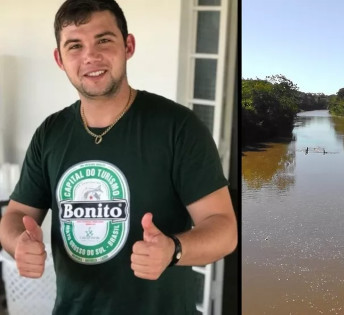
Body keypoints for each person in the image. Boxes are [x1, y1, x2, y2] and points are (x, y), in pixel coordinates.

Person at [0, 1, 237, 314]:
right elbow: (15, 215)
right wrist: (19, 243)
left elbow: (224, 230)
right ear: (60, 59)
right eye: (75, 46)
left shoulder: (178, 127)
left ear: (128, 45)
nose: (90, 56)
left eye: (104, 40)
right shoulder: (50, 133)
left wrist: (174, 250)